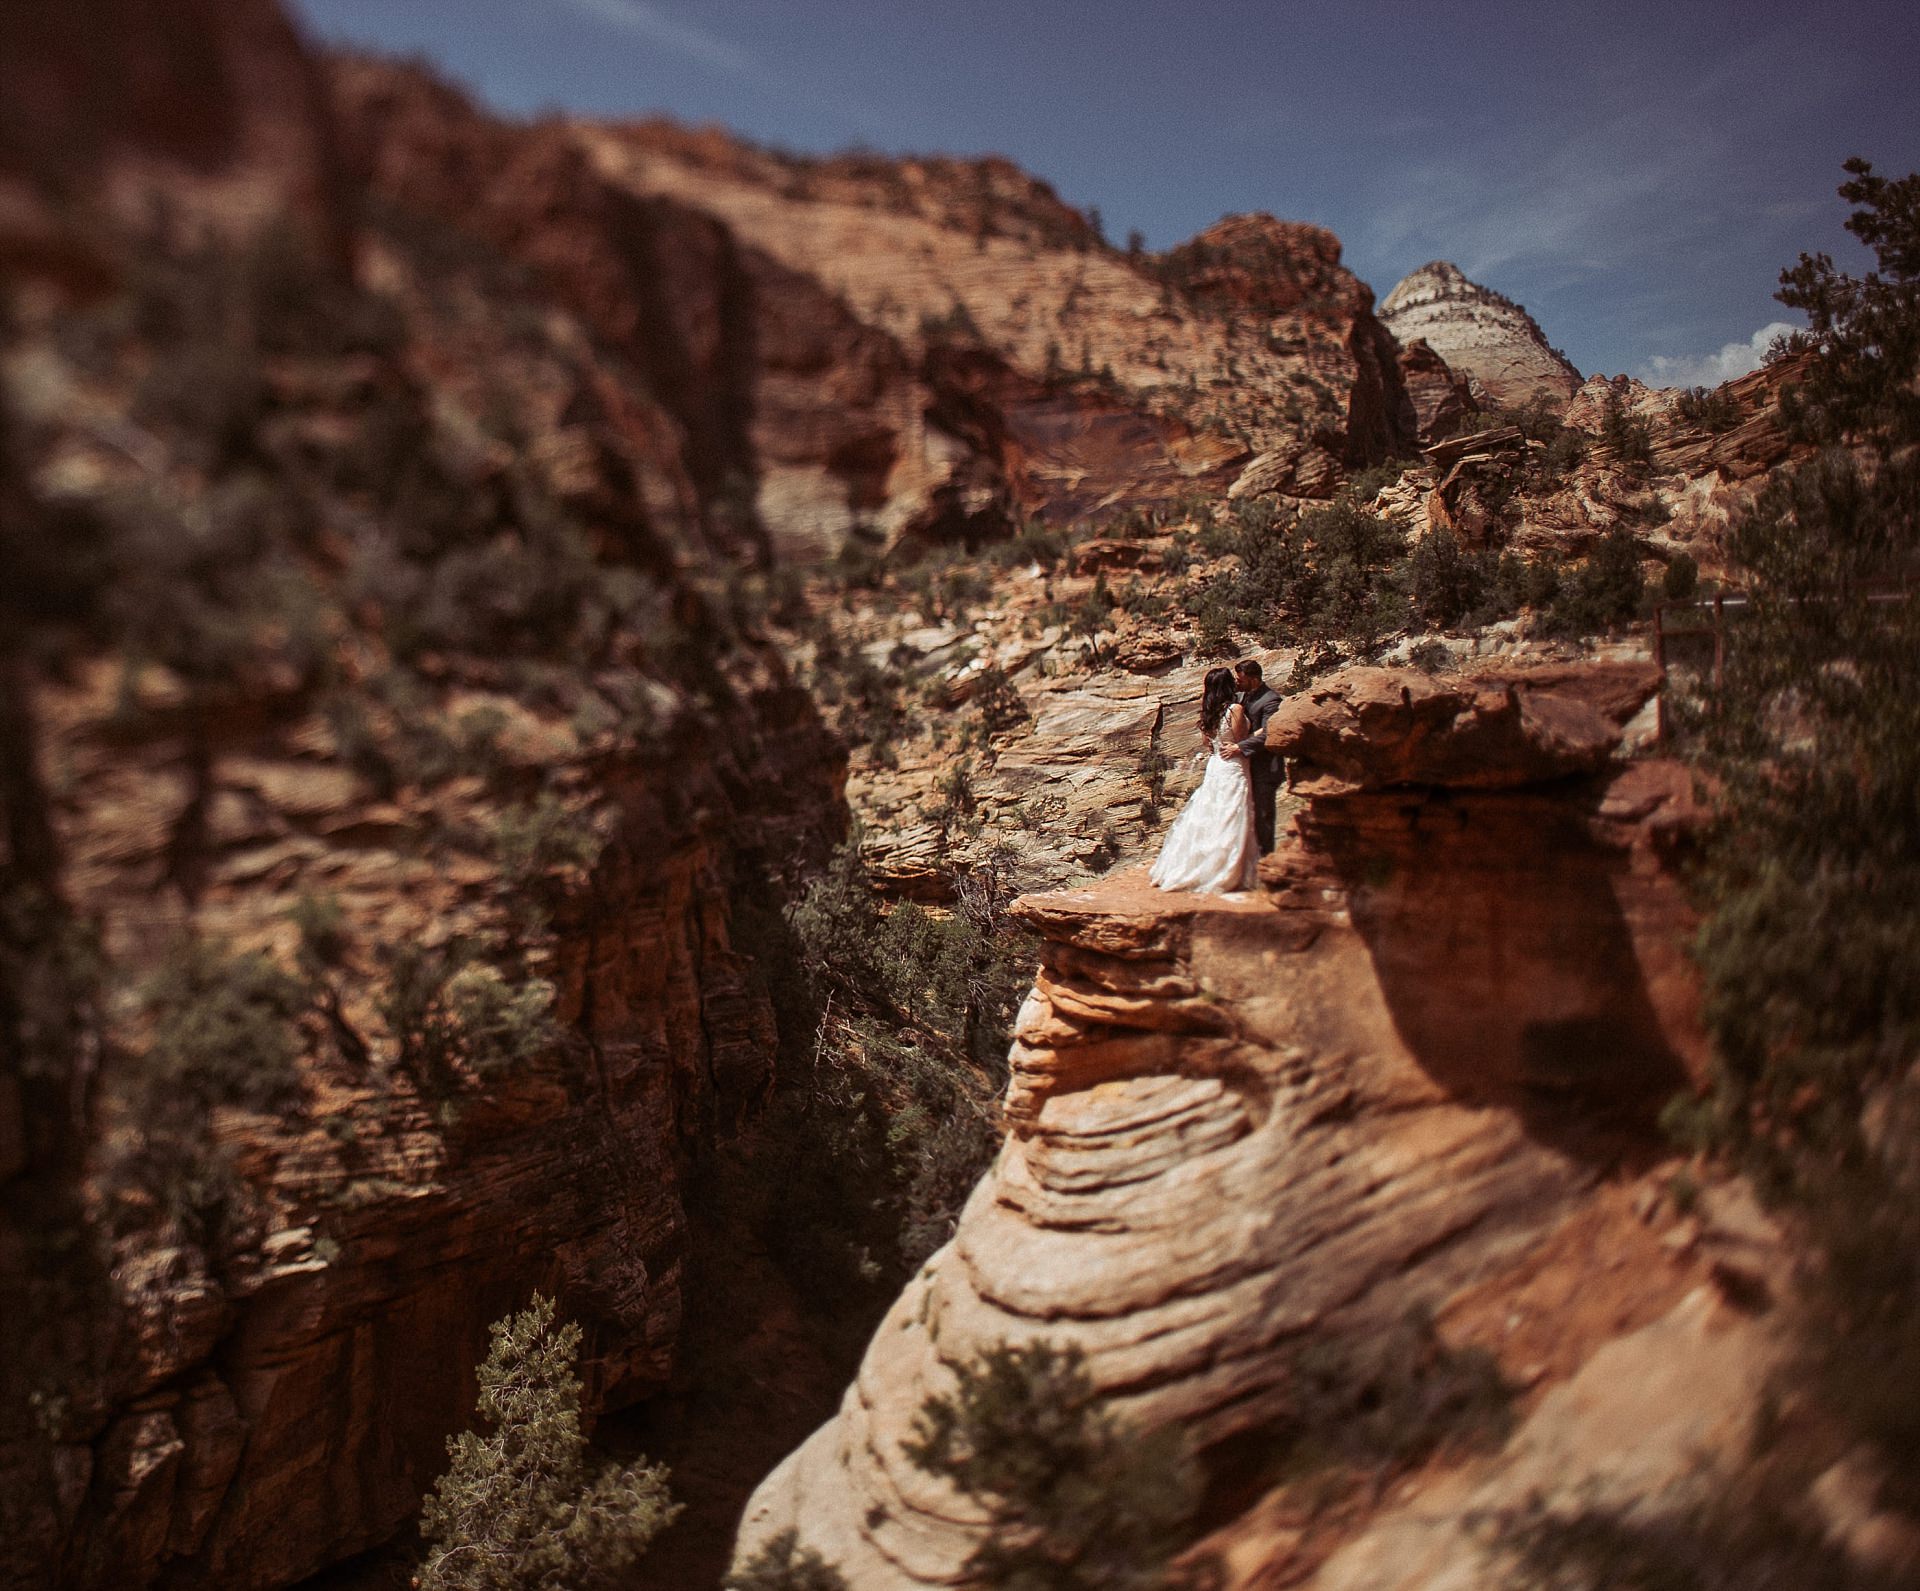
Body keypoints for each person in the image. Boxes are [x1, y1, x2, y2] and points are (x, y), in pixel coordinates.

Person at [1149, 666, 1258, 894]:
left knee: (1211, 813)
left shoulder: (1209, 712)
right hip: (1232, 766)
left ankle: (1199, 865)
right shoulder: (1234, 709)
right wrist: (1258, 734)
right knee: (1232, 813)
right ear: (1228, 686)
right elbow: (1241, 740)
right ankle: (1224, 870)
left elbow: (1208, 744)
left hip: (1216, 764)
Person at [1220, 658, 1283, 854]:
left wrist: (1239, 747)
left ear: (1254, 679)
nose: (1237, 683)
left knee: (1263, 814)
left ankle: (1265, 859)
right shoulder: (1241, 696)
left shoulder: (1271, 700)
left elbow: (1268, 733)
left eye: (1240, 679)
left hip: (1264, 766)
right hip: (1243, 767)